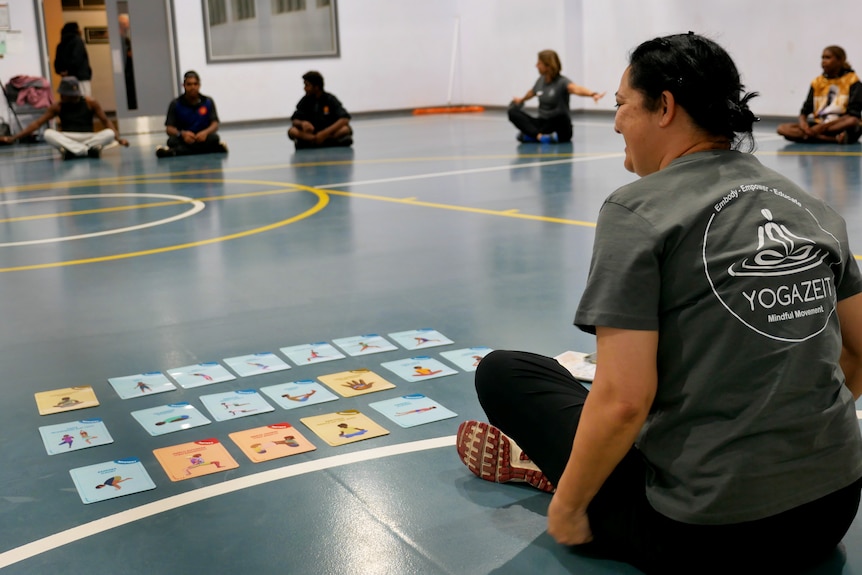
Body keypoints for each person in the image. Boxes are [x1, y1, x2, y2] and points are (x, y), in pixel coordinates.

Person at [457, 32, 862, 574]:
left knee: (507, 372)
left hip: (712, 536)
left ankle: (558, 471)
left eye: (623, 104)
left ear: (664, 106)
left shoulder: (636, 209)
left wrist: (570, 508)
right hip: (833, 510)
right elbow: (859, 354)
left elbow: (624, 401)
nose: (618, 121)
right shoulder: (810, 207)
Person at [0, 76, 128, 159]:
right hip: (68, 136)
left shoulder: (90, 103)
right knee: (48, 133)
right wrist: (14, 138)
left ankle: (75, 151)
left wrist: (118, 138)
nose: (61, 96)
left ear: (72, 95)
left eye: (64, 94)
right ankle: (87, 151)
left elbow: (105, 121)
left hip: (88, 136)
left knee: (109, 133)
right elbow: (38, 124)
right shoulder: (58, 106)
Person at [508, 49, 605, 143]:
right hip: (543, 123)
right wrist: (521, 100)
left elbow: (576, 88)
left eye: (539, 63)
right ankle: (540, 137)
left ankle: (532, 136)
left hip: (557, 124)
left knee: (563, 117)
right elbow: (532, 92)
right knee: (513, 112)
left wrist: (592, 94)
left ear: (548, 65)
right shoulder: (540, 80)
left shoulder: (562, 82)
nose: (536, 66)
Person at [777, 45, 862, 144]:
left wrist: (822, 127)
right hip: (819, 124)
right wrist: (804, 126)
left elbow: (853, 114)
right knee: (782, 128)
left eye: (828, 57)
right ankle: (832, 139)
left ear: (840, 60)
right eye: (822, 58)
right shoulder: (817, 82)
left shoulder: (853, 80)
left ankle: (810, 137)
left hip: (838, 124)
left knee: (853, 121)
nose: (823, 61)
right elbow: (804, 111)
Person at [156, 71, 227, 158]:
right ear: (184, 86)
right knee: (171, 141)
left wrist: (205, 132)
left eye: (195, 84)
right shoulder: (175, 104)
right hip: (184, 138)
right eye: (189, 84)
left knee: (214, 138)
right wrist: (182, 134)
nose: (192, 87)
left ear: (199, 85)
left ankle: (174, 152)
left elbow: (215, 124)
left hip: (203, 138)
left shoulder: (208, 101)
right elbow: (169, 129)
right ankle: (213, 149)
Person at [287, 71, 353, 149]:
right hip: (311, 134)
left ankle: (314, 142)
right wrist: (302, 123)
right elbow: (295, 120)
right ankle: (316, 140)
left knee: (345, 129)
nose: (305, 88)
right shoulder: (305, 100)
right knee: (292, 131)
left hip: (328, 133)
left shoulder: (330, 99)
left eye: (307, 85)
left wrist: (325, 133)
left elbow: (344, 119)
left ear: (316, 87)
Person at [54, 22, 92, 97]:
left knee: (70, 101)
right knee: (84, 100)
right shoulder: (78, 41)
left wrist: (63, 71)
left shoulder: (61, 44)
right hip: (80, 77)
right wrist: (70, 70)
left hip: (67, 79)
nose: (80, 30)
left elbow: (57, 62)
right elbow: (77, 59)